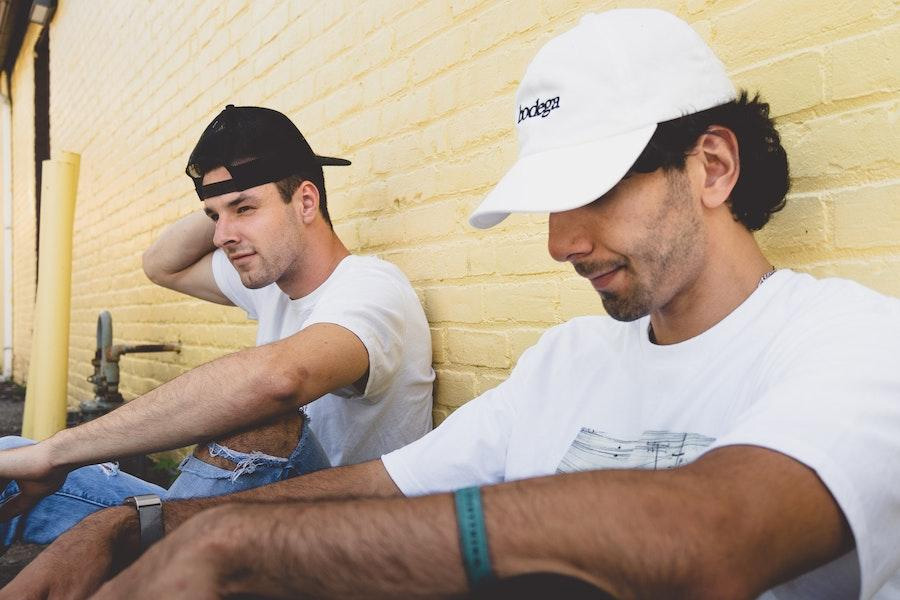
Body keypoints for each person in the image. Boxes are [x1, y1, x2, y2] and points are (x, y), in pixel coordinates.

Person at [4, 8, 900, 599]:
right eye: (552, 205)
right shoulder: (566, 362)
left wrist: (239, 545)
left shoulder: (854, 343)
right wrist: (144, 524)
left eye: (592, 192)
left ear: (712, 166)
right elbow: (376, 489)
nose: (560, 243)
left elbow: (715, 534)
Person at [0, 105, 434, 547]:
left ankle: (159, 572)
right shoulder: (269, 282)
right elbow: (160, 265)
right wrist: (226, 199)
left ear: (306, 201)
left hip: (346, 547)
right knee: (10, 456)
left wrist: (56, 452)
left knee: (258, 423)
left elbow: (279, 381)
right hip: (263, 521)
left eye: (245, 208)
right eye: (214, 217)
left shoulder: (372, 289)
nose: (221, 236)